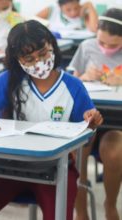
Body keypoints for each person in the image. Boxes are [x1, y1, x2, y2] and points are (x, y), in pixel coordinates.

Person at [0, 20, 103, 220]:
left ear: (52, 45)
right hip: (12, 166)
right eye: (29, 59)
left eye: (42, 54)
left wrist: (91, 126)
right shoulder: (11, 80)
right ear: (18, 60)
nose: (39, 63)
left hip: (57, 170)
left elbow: (87, 141)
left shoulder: (73, 86)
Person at [69, 8, 122, 220]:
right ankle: (81, 210)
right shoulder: (86, 46)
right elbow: (71, 82)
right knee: (79, 149)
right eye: (103, 43)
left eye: (114, 45)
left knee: (114, 150)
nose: (107, 48)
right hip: (87, 117)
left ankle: (110, 204)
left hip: (117, 123)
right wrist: (83, 76)